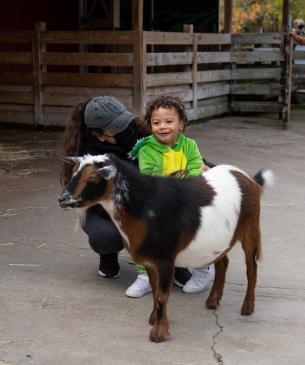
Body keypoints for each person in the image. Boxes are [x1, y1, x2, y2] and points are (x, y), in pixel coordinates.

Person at [60, 96, 193, 288]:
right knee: (105, 236)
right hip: (107, 207)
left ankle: (177, 263)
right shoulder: (87, 152)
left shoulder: (141, 132)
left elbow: (183, 153)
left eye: (124, 121)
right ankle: (108, 255)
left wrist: (208, 168)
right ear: (100, 134)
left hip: (147, 199)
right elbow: (83, 193)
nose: (124, 128)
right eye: (116, 126)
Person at [126, 95, 214, 298]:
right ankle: (146, 275)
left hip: (186, 199)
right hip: (157, 200)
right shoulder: (147, 149)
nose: (162, 126)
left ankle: (203, 269)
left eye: (169, 121)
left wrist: (193, 174)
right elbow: (151, 176)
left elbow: (196, 167)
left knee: (199, 232)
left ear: (181, 124)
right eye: (156, 122)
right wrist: (188, 175)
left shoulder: (189, 145)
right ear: (150, 126)